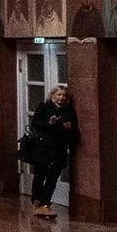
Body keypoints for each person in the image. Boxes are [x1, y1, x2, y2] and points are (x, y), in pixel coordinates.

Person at [27, 85, 79, 219]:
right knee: (40, 175)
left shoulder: (69, 111)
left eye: (64, 96)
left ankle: (45, 204)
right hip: (43, 147)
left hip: (59, 148)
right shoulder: (44, 107)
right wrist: (50, 123)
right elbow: (36, 123)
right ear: (53, 96)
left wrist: (62, 126)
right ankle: (37, 200)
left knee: (53, 177)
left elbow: (71, 128)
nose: (61, 98)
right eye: (59, 95)